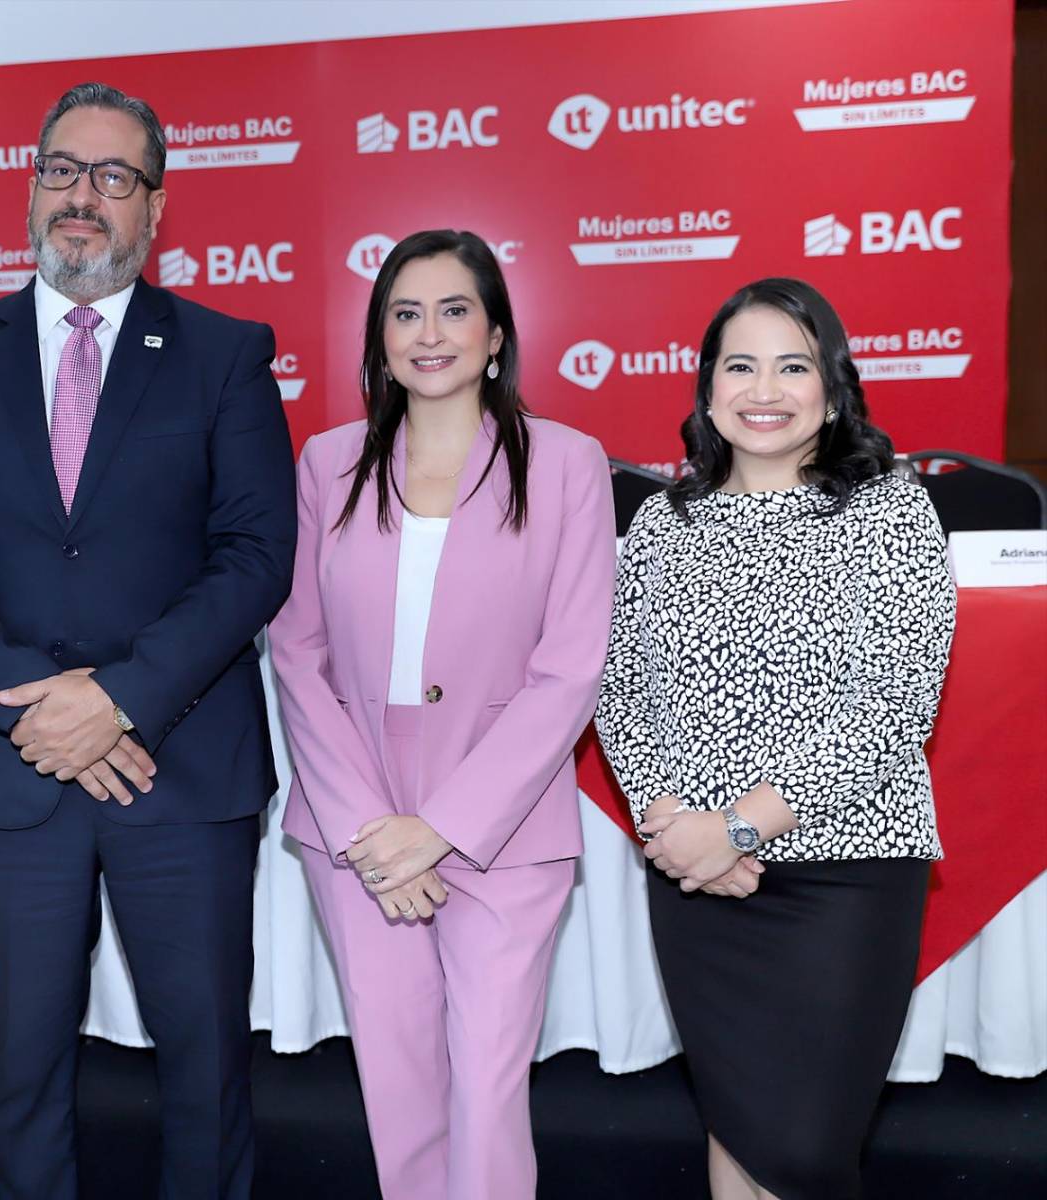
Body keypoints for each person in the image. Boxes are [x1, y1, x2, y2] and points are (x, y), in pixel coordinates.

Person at [0, 82, 296, 1200]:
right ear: (30, 187)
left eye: (115, 177)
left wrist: (120, 700)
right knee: (19, 1069)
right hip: (12, 768)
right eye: (63, 169)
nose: (84, 197)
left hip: (180, 766)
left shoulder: (224, 353)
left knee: (205, 1070)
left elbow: (254, 555)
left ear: (155, 208)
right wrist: (39, 702)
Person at [268, 229, 615, 1197]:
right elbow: (297, 652)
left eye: (455, 310)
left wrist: (445, 830)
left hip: (505, 821)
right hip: (359, 818)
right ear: (378, 340)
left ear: (497, 333)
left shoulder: (567, 464)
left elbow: (571, 667)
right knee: (399, 1082)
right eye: (405, 313)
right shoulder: (329, 463)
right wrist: (375, 830)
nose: (430, 334)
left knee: (489, 1088)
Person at [596, 278, 956, 1200]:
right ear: (708, 388)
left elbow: (892, 704)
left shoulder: (890, 511)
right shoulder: (660, 523)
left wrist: (739, 829)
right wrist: (674, 824)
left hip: (847, 873)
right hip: (695, 877)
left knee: (802, 1148)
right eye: (741, 366)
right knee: (739, 1123)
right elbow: (624, 691)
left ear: (832, 388)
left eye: (793, 366)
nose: (765, 389)